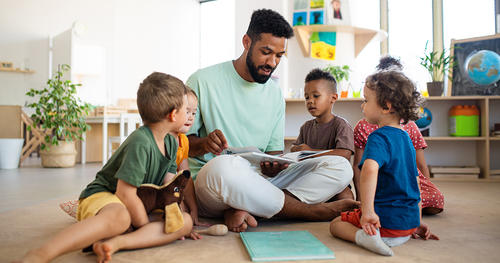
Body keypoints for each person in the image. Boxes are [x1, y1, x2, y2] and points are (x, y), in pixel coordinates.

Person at [187, 9, 358, 233]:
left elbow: (274, 153)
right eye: (266, 52)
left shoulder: (275, 94)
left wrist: (275, 166)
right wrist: (204, 144)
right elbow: (179, 144)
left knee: (341, 167)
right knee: (223, 167)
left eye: (279, 55)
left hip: (260, 181)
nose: (272, 62)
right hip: (214, 182)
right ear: (246, 42)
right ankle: (311, 211)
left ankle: (247, 208)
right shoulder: (202, 80)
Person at [18, 73, 193, 263]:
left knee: (185, 222)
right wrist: (143, 225)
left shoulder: (172, 142)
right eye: (186, 108)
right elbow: (124, 194)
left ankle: (118, 242)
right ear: (173, 114)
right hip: (105, 195)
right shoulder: (141, 142)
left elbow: (167, 186)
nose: (189, 113)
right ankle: (42, 253)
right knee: (121, 217)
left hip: (140, 201)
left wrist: (174, 213)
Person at [330, 70, 439, 256]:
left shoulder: (378, 137)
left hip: (383, 225)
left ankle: (365, 238)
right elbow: (415, 183)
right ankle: (402, 228)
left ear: (386, 106)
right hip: (407, 226)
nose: (362, 106)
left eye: (365, 100)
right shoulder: (406, 138)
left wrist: (368, 212)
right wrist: (415, 221)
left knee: (336, 224)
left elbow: (370, 170)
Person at [352, 56, 445, 215]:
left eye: (365, 100)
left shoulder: (408, 128)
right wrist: (362, 200)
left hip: (403, 179)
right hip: (381, 180)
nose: (362, 104)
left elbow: (419, 168)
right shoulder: (364, 128)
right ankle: (400, 207)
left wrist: (420, 195)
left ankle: (397, 206)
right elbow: (361, 166)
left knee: (437, 200)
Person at [291, 68, 355, 200]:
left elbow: (345, 154)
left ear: (333, 98)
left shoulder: (341, 125)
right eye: (307, 97)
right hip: (308, 178)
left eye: (316, 96)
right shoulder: (306, 127)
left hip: (333, 179)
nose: (310, 101)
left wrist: (310, 152)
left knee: (346, 198)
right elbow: (294, 149)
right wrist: (297, 149)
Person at [169, 88, 203, 232]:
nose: (191, 117)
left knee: (187, 215)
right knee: (180, 215)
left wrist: (194, 209)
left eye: (194, 113)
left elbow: (185, 176)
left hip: (169, 189)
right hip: (154, 191)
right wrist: (180, 205)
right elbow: (166, 182)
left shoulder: (183, 140)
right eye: (187, 111)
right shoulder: (165, 139)